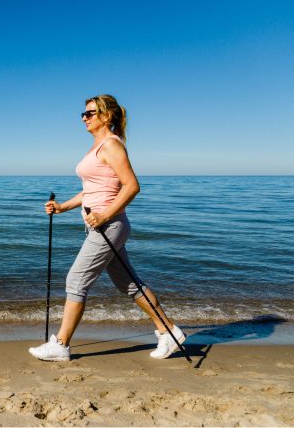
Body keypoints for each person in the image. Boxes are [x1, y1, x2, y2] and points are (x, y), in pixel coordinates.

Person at [28, 94, 185, 362]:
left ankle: (61, 345)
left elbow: (132, 185)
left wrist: (104, 215)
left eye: (90, 113)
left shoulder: (112, 145)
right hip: (103, 226)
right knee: (129, 285)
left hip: (109, 226)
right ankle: (169, 333)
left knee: (76, 281)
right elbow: (91, 190)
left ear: (106, 116)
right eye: (83, 114)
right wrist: (62, 207)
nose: (84, 118)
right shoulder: (97, 147)